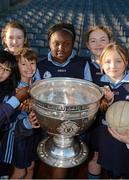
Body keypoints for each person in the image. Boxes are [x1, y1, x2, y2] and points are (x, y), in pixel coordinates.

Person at [33, 22, 92, 179]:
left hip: (76, 122)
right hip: (49, 123)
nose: (61, 48)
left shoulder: (83, 64)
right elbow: (36, 96)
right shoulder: (41, 66)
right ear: (49, 44)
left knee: (71, 162)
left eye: (67, 44)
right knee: (54, 161)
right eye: (56, 43)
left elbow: (89, 93)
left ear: (74, 45)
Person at [84, 25, 113, 179]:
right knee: (96, 158)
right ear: (87, 45)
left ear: (110, 41)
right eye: (93, 41)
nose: (98, 44)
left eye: (103, 39)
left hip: (116, 119)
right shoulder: (82, 65)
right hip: (95, 122)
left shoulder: (120, 64)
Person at [97, 42, 129, 178]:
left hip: (127, 137)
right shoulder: (98, 85)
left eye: (118, 61)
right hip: (107, 136)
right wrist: (107, 102)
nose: (113, 66)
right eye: (108, 61)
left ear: (126, 62)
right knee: (111, 171)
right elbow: (95, 114)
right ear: (101, 64)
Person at [9, 47, 40, 179]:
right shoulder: (15, 88)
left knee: (31, 167)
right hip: (20, 135)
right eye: (23, 64)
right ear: (17, 67)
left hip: (34, 133)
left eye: (32, 63)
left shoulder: (37, 84)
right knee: (20, 171)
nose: (29, 67)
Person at [0, 50, 29, 178]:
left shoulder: (6, 89)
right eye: (0, 67)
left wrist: (23, 108)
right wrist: (16, 99)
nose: (1, 73)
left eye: (6, 70)